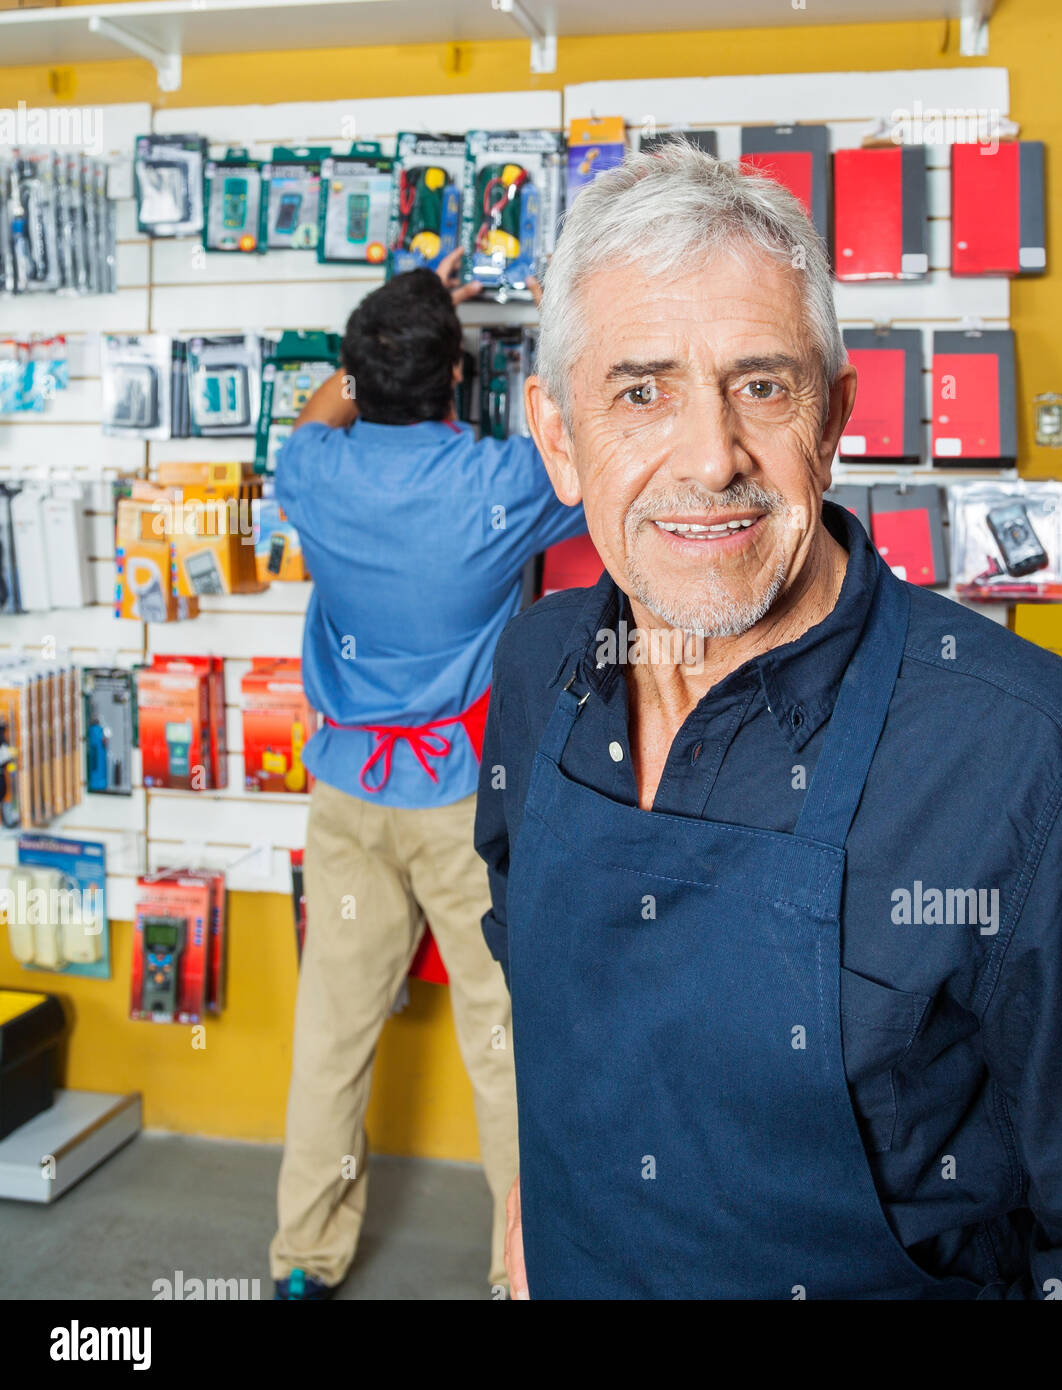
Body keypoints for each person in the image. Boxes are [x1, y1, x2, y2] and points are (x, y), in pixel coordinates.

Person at [474, 144, 1062, 1300]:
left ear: (833, 418)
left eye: (761, 386)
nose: (710, 459)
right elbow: (543, 988)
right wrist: (539, 1211)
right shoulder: (538, 668)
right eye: (640, 391)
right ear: (555, 435)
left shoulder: (1030, 758)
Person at [269, 253, 585, 1299]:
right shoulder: (500, 484)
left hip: (347, 793)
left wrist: (397, 333)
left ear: (362, 372)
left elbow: (326, 409)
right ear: (459, 376)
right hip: (458, 801)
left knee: (331, 1037)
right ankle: (518, 1274)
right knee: (500, 1038)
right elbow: (583, 438)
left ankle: (301, 1264)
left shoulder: (311, 470)